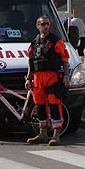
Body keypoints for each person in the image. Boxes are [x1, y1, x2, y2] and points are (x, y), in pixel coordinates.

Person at [25, 16, 70, 146]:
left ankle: (56, 134)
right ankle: (42, 133)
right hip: (38, 78)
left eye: (47, 24)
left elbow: (64, 59)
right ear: (37, 26)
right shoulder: (34, 43)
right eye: (42, 24)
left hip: (52, 77)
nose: (45, 26)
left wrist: (66, 76)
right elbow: (31, 62)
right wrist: (28, 78)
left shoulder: (56, 41)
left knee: (54, 104)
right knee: (39, 106)